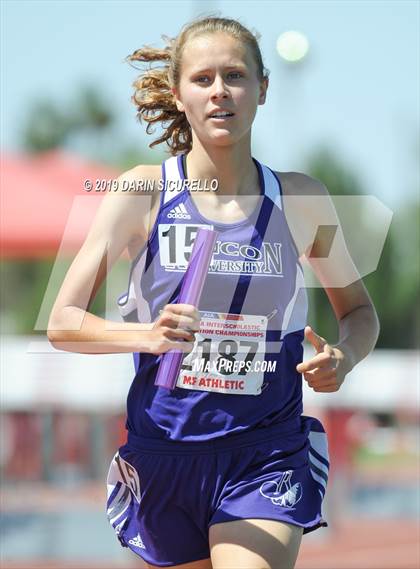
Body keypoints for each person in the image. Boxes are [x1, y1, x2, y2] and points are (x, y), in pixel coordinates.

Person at [47, 15, 380, 569]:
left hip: (265, 453)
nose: (220, 90)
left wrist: (344, 355)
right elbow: (63, 321)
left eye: (236, 75)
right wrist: (147, 334)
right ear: (178, 93)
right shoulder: (143, 193)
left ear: (262, 89)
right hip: (164, 455)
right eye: (203, 79)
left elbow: (361, 312)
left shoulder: (299, 200)